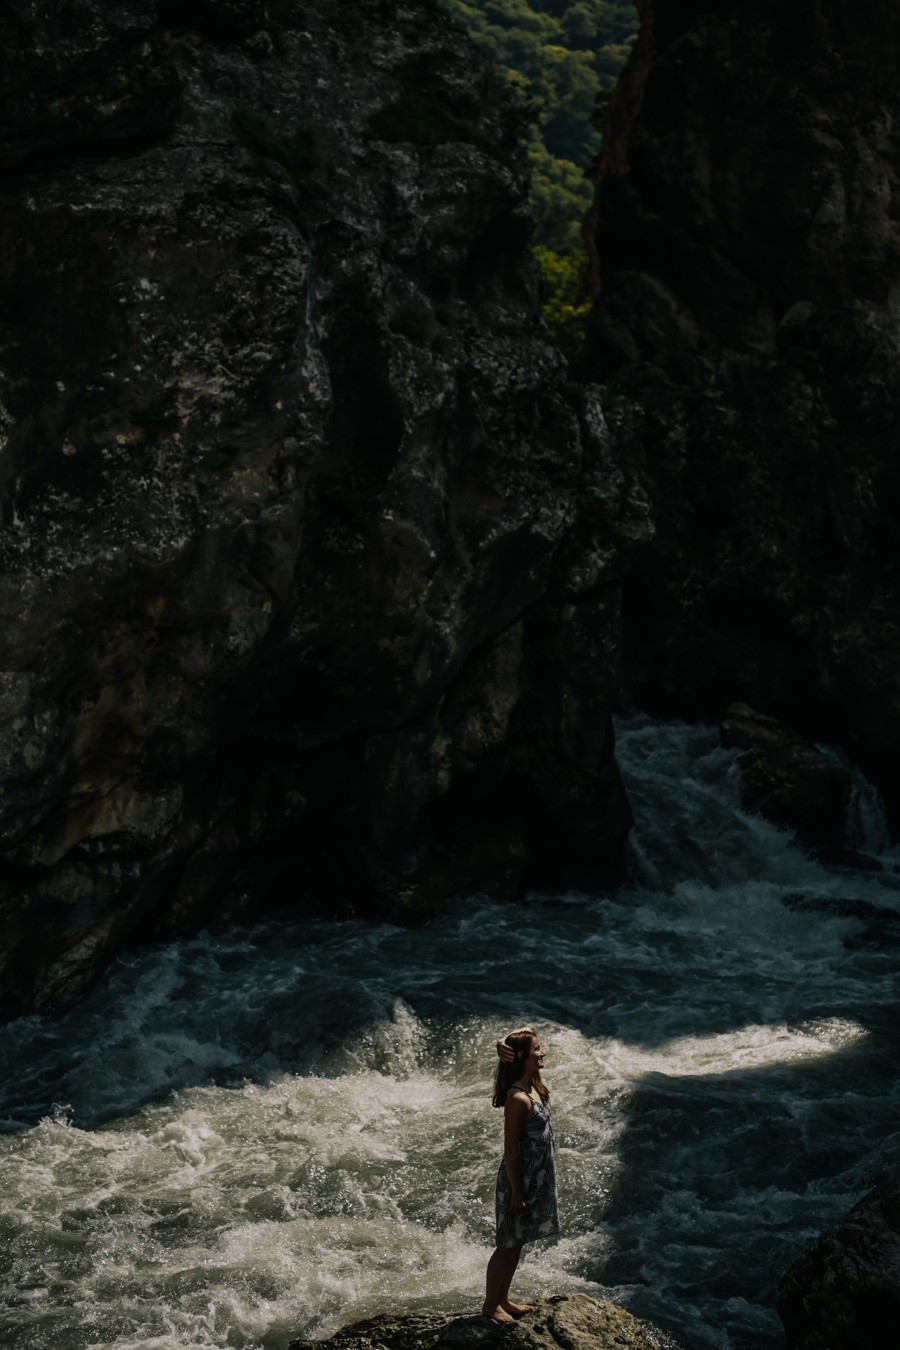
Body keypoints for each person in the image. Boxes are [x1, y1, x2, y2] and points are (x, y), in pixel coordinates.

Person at [482, 1027, 559, 1322]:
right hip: (519, 1181)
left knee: (519, 1242)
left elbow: (522, 1030)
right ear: (523, 1058)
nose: (543, 1052)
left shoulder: (536, 1086)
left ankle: (503, 1299)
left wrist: (501, 1041)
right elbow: (511, 1151)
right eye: (538, 1049)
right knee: (507, 1244)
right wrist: (517, 1190)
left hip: (535, 1179)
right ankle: (490, 1305)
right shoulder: (518, 1098)